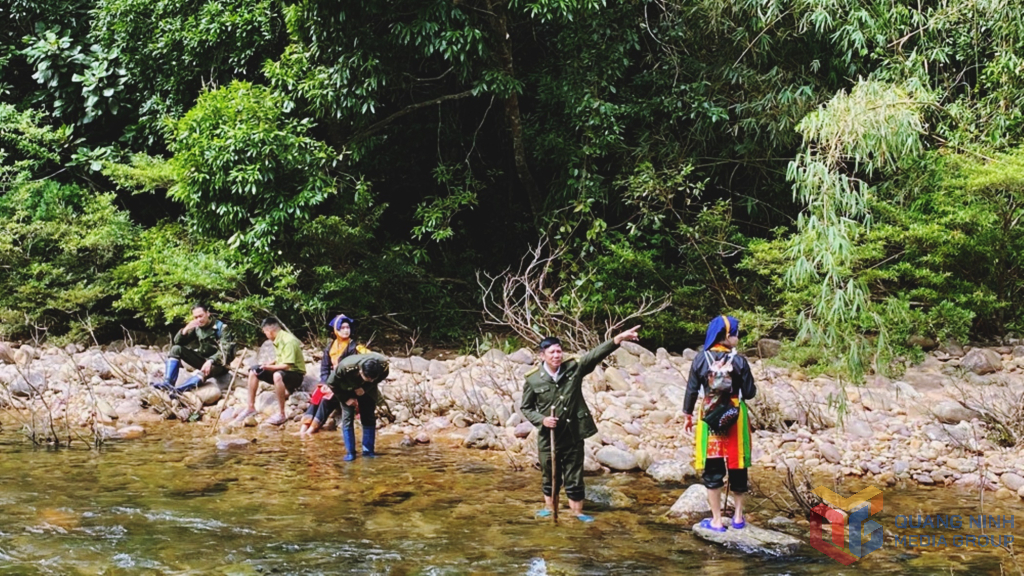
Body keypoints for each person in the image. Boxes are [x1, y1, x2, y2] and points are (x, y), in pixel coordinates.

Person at [520, 326, 641, 523]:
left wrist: (617, 339)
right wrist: (542, 420)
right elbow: (526, 407)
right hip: (548, 436)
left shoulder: (573, 366)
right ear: (542, 355)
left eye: (559, 351)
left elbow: (593, 356)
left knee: (574, 476)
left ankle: (577, 513)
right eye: (552, 352)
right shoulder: (533, 379)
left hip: (573, 432)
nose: (557, 355)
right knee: (550, 475)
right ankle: (549, 508)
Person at [683, 315, 757, 533]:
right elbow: (750, 393)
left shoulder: (700, 359)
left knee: (713, 467)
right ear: (726, 336)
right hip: (736, 415)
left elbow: (692, 389)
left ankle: (716, 520)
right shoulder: (740, 361)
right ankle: (738, 517)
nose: (737, 337)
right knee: (738, 464)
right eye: (735, 333)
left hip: (710, 415)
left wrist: (687, 414)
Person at [297, 314, 370, 437]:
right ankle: (303, 428)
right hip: (332, 381)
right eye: (342, 328)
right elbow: (325, 369)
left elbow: (351, 373)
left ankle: (312, 429)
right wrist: (325, 383)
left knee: (327, 399)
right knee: (317, 395)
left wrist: (332, 386)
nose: (346, 330)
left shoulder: (354, 347)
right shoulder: (330, 347)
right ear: (336, 330)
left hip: (346, 384)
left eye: (348, 327)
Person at [235, 317, 307, 426]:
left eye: (265, 333)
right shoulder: (278, 339)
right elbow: (280, 358)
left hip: (295, 375)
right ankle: (250, 407)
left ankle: (281, 414)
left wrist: (268, 368)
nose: (266, 335)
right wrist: (268, 364)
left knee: (277, 375)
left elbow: (287, 365)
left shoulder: (288, 341)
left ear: (270, 331)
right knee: (254, 371)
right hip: (284, 371)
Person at [154, 303, 235, 395]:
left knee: (204, 372)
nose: (198, 319)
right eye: (196, 317)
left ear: (208, 313)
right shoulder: (197, 326)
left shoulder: (222, 328)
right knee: (175, 349)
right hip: (203, 360)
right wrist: (186, 329)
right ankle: (168, 383)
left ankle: (179, 390)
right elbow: (178, 343)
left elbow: (225, 352)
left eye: (201, 316)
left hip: (219, 364)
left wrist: (211, 361)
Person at [325, 351, 389, 461]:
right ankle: (350, 452)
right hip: (346, 388)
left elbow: (381, 376)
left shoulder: (382, 365)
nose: (371, 379)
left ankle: (368, 451)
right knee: (348, 418)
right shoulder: (346, 367)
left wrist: (366, 387)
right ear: (360, 371)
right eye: (368, 377)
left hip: (367, 389)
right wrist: (346, 399)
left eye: (373, 378)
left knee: (368, 416)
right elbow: (331, 383)